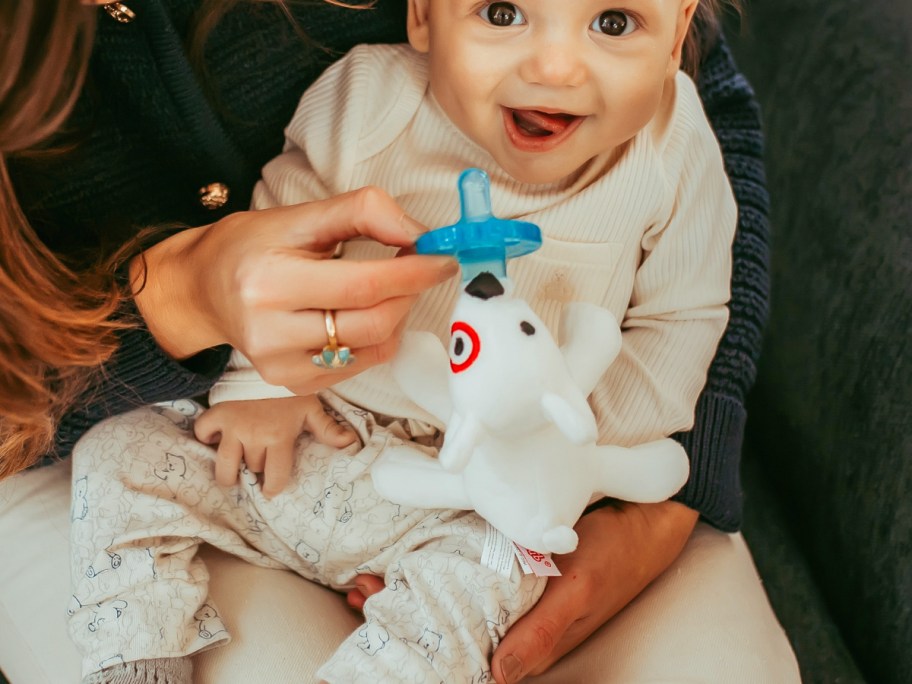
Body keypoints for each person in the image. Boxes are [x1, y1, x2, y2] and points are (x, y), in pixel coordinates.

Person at [0, 1, 799, 683]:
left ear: (676, 32)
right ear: (421, 12)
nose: (556, 67)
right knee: (121, 459)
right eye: (501, 12)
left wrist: (594, 473)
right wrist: (258, 388)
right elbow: (284, 219)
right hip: (320, 440)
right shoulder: (368, 93)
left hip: (491, 499)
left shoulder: (675, 145)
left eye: (615, 22)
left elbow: (683, 320)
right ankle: (137, 648)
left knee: (471, 593)